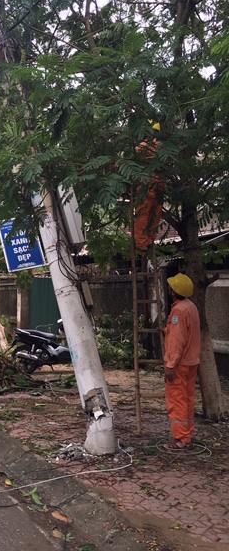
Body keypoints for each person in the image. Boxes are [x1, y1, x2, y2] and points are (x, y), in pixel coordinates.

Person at [163, 273, 201, 451]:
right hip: (191, 362)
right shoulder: (190, 306)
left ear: (174, 291)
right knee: (187, 399)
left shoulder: (178, 310)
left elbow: (177, 340)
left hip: (179, 364)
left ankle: (182, 439)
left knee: (177, 400)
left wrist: (171, 365)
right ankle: (188, 434)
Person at [134, 122, 165, 251]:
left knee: (143, 213)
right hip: (160, 182)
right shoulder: (163, 147)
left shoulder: (143, 146)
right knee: (155, 213)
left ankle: (142, 243)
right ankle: (151, 239)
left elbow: (134, 157)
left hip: (146, 182)